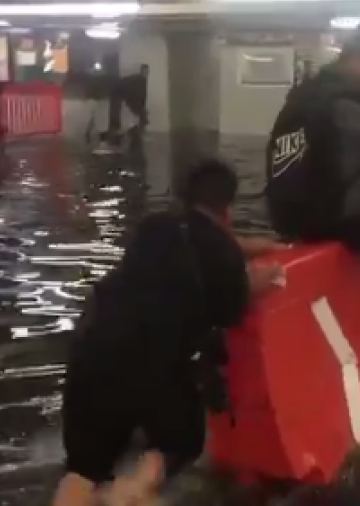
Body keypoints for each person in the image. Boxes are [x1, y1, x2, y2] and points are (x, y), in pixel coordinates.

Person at [52, 159, 284, 506]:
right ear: (228, 206)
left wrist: (254, 246)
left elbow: (206, 242)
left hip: (91, 348)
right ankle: (130, 492)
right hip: (149, 363)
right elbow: (236, 298)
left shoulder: (155, 226)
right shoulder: (223, 257)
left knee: (83, 469)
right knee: (179, 441)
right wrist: (271, 271)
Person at [264, 20, 360, 380]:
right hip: (334, 214)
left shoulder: (307, 92)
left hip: (291, 214)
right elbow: (344, 169)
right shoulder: (351, 100)